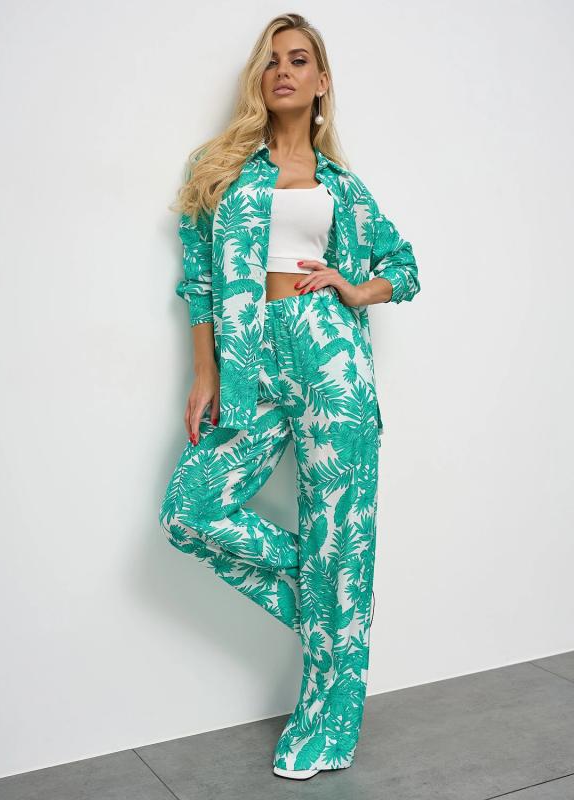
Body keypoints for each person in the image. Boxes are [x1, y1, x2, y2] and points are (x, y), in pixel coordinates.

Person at [159, 12, 420, 781]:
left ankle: (327, 723)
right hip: (248, 355)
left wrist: (355, 288)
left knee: (344, 533)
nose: (283, 71)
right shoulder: (220, 168)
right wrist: (205, 372)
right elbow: (199, 282)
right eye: (272, 60)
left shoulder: (342, 186)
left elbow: (404, 268)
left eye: (299, 60)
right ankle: (330, 591)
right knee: (190, 510)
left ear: (321, 81)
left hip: (329, 353)